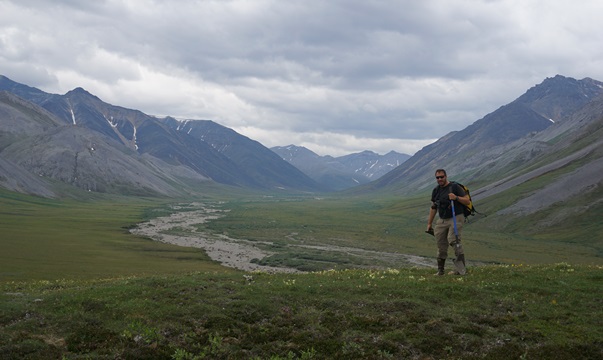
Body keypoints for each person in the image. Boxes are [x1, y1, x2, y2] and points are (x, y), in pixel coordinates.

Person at [426, 169, 470, 275]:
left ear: (446, 176)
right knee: (440, 243)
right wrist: (429, 223)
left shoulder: (454, 187)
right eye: (437, 177)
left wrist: (456, 197)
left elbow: (467, 201)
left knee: (454, 240)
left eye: (442, 177)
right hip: (442, 219)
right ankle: (440, 270)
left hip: (456, 217)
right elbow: (433, 207)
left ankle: (460, 270)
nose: (440, 179)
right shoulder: (436, 190)